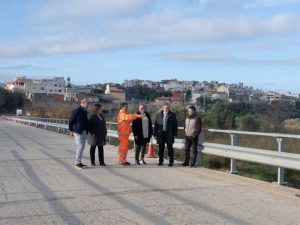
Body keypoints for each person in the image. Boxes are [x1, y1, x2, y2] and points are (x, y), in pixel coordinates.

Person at [69, 98, 89, 169]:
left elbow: (86, 122)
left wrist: (87, 130)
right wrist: (71, 130)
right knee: (80, 146)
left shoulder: (84, 111)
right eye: (87, 103)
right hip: (78, 131)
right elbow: (71, 121)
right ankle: (77, 163)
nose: (88, 105)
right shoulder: (76, 111)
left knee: (82, 147)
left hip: (83, 131)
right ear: (82, 103)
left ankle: (79, 162)